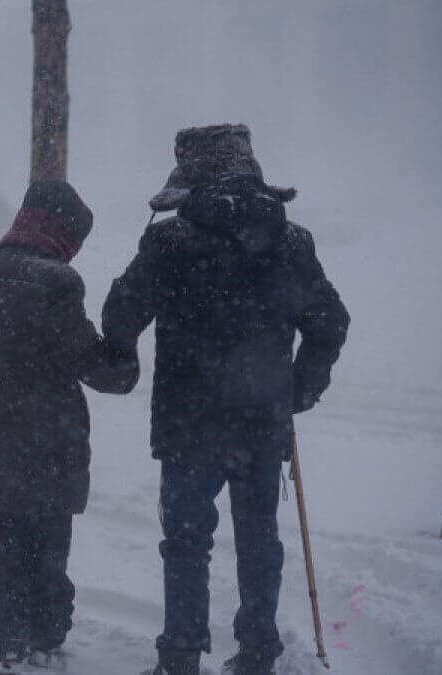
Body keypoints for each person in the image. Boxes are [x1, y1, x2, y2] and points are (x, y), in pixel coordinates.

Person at [102, 124, 350, 675]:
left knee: (186, 544)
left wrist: (121, 353)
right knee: (259, 539)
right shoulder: (291, 243)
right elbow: (330, 322)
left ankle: (182, 655)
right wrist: (297, 390)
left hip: (188, 425)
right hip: (261, 422)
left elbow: (121, 313)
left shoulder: (170, 242)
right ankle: (259, 653)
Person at [0, 180, 139, 671]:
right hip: (49, 448)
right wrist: (123, 345)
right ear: (62, 234)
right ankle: (46, 641)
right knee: (47, 556)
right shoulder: (58, 283)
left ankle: (9, 646)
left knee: (0, 557)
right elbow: (98, 370)